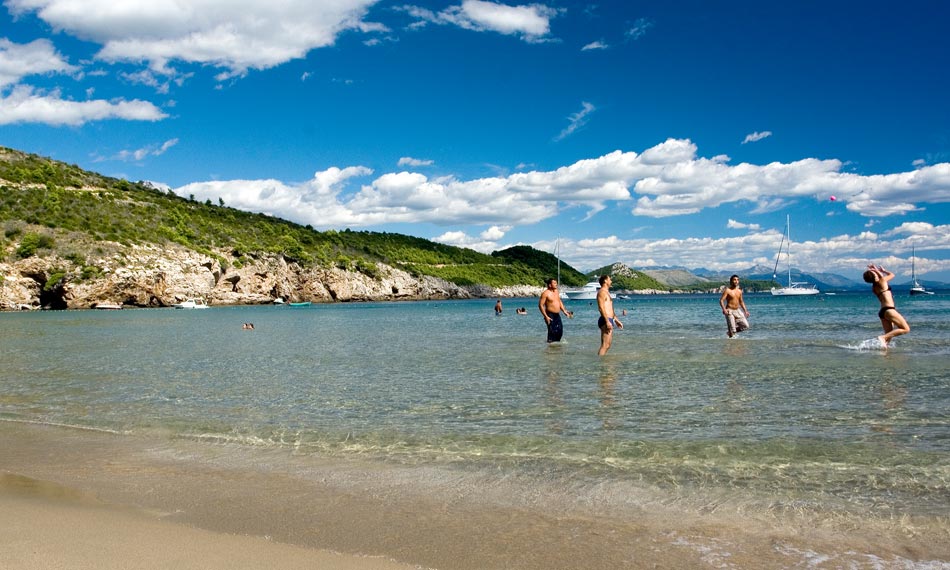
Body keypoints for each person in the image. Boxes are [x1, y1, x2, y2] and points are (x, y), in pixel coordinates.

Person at [863, 263, 910, 347]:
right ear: (875, 276)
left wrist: (876, 271)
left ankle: (885, 355)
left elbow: (880, 278)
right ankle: (882, 337)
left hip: (882, 312)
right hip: (889, 310)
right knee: (906, 329)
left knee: (888, 338)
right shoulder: (882, 282)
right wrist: (883, 271)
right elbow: (892, 275)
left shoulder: (874, 288)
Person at [539, 278, 573, 343]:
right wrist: (546, 316)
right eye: (554, 283)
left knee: (560, 331)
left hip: (557, 315)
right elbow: (540, 305)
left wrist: (564, 311)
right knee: (552, 332)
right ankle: (550, 348)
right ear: (549, 285)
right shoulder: (545, 293)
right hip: (550, 315)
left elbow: (559, 301)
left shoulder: (556, 291)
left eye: (556, 283)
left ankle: (556, 348)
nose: (556, 284)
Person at [596, 275, 623, 355]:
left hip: (609, 319)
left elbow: (610, 309)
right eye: (609, 279)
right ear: (605, 281)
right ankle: (601, 364)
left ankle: (602, 362)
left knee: (607, 345)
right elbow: (601, 308)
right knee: (605, 345)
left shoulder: (607, 292)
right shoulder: (602, 292)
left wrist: (616, 320)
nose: (611, 281)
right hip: (605, 319)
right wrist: (607, 321)